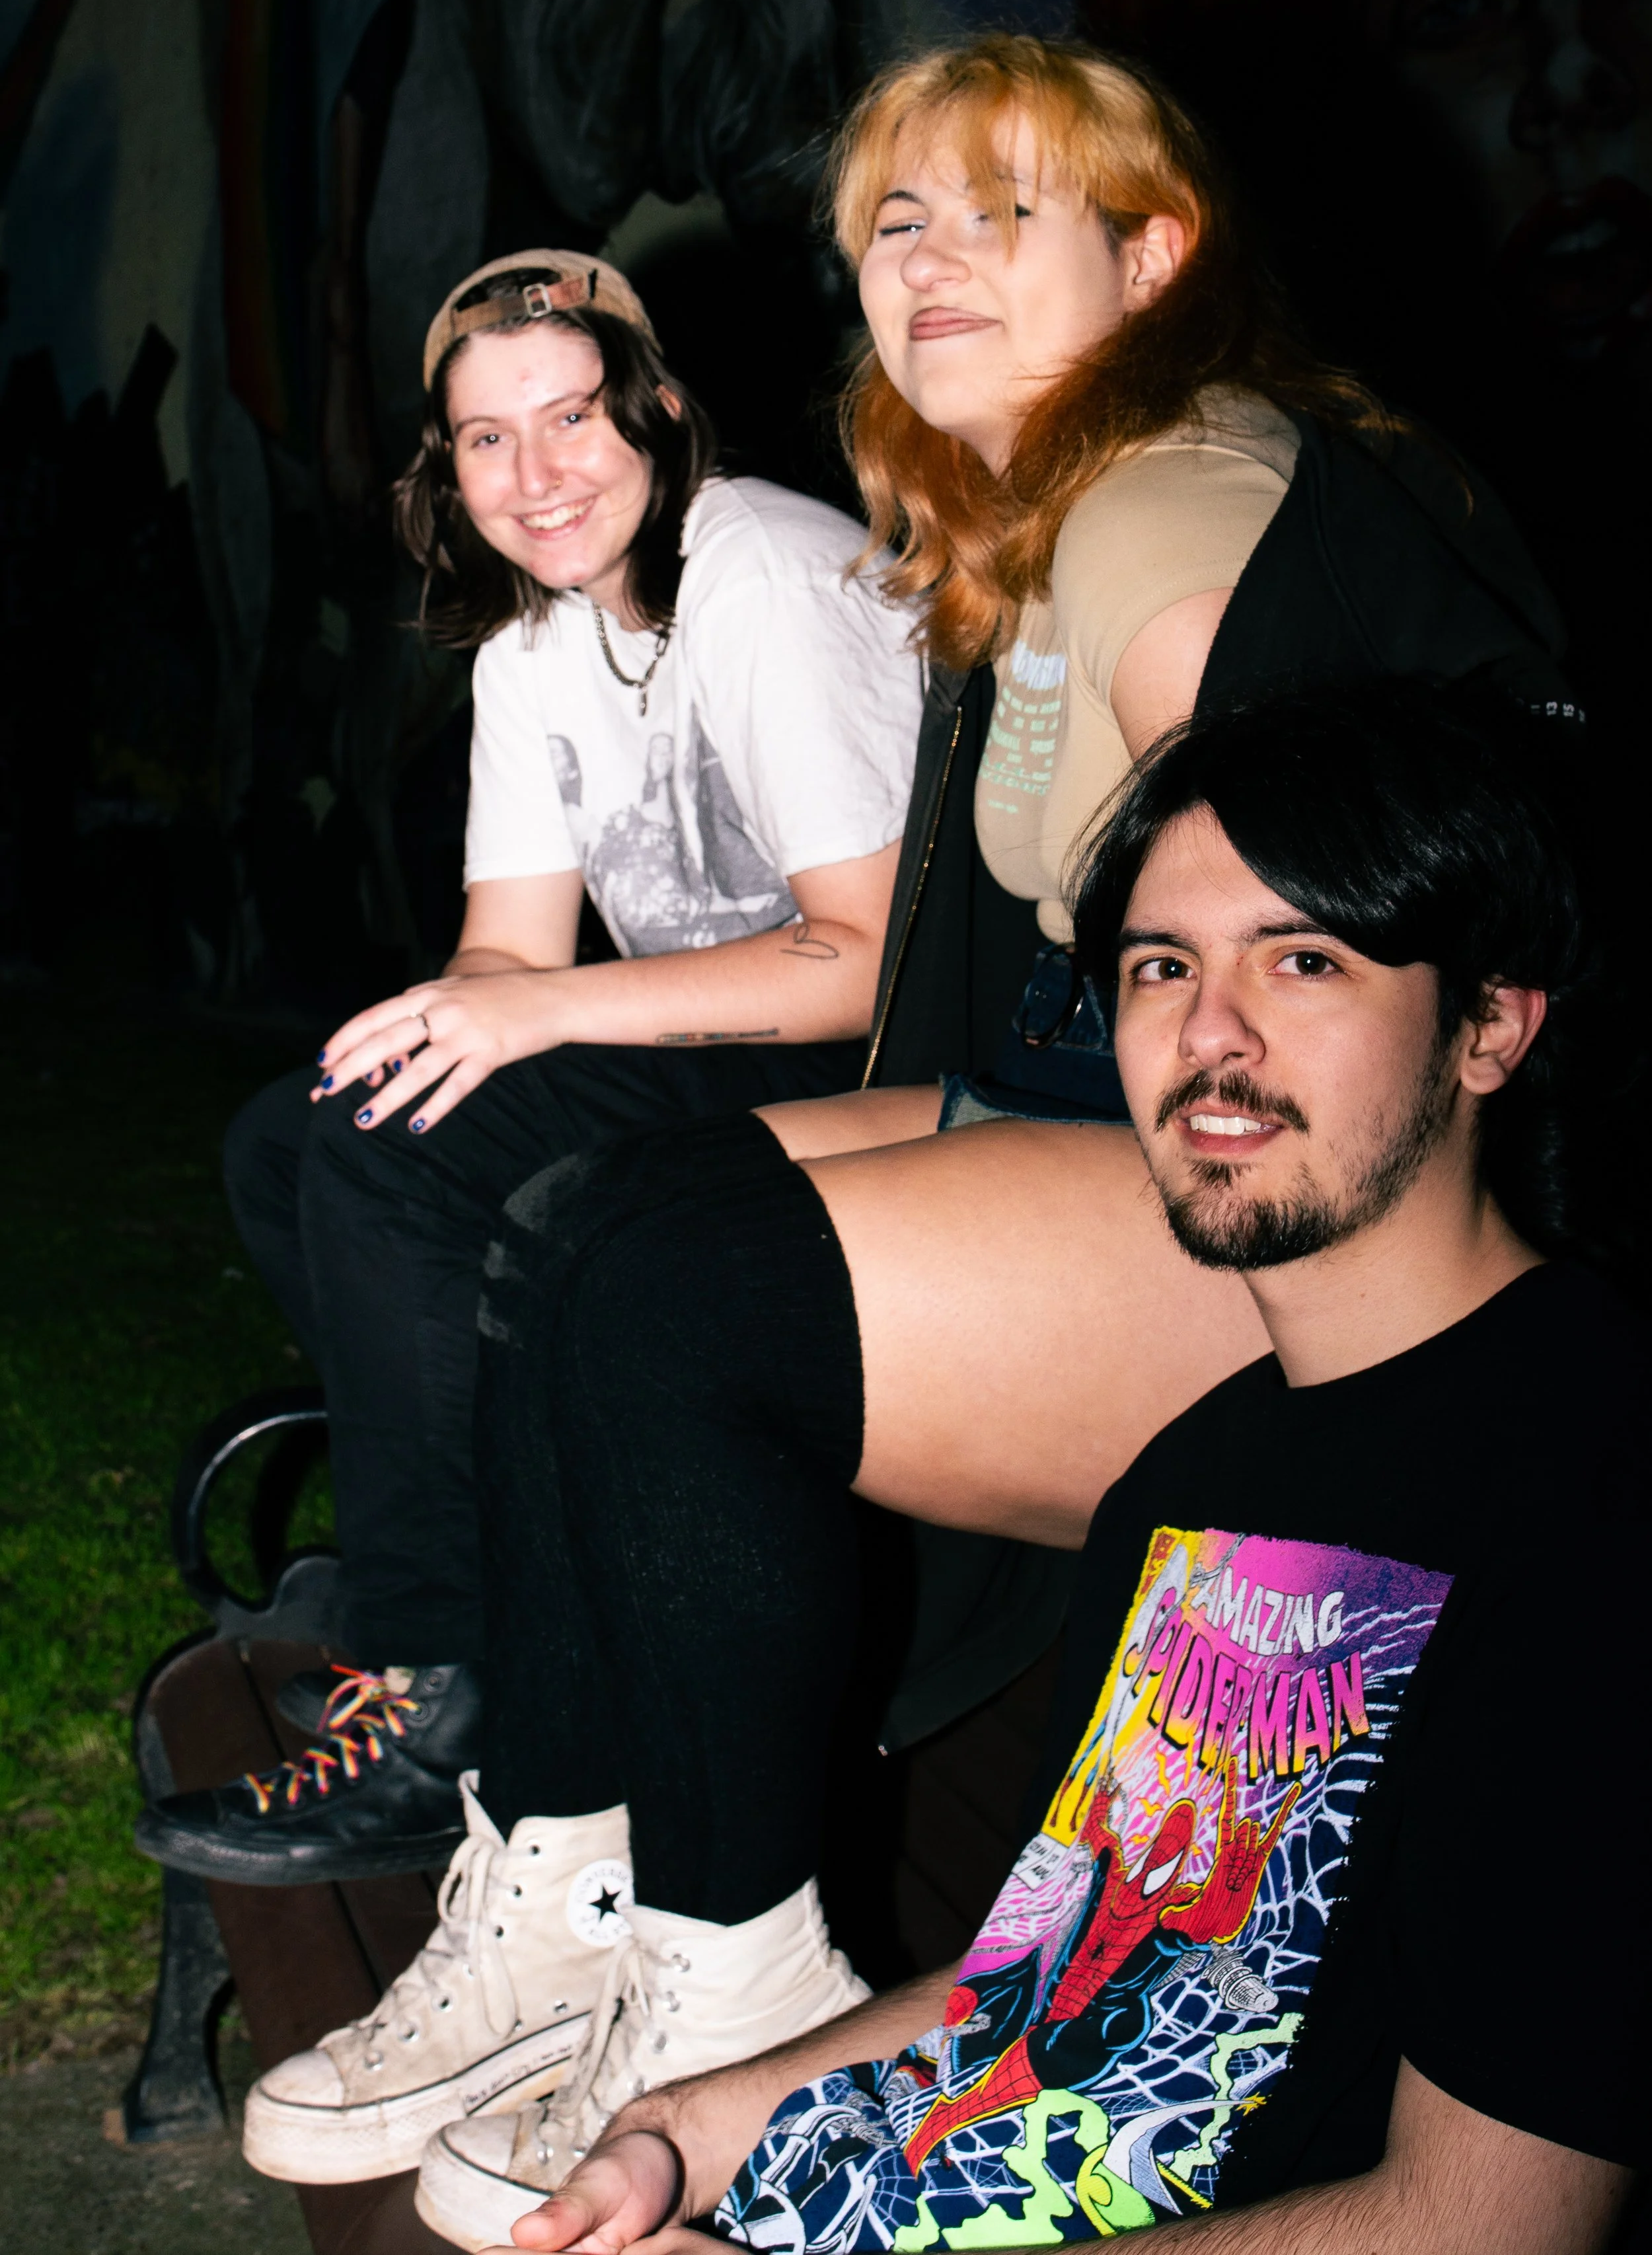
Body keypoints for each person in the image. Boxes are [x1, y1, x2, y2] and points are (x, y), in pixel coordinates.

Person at [139, 37, 1573, 2189]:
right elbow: (1036, 1002)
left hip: (1329, 1266)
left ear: (1152, 256)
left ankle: (732, 1973)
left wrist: (1303, 1529)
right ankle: (558, 1873)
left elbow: (1295, 1013)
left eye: (1002, 210)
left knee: (662, 1278)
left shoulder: (1168, 511)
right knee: (576, 1228)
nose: (928, 256)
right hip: (1099, 1123)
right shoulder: (1036, 528)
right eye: (895, 219)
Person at [442, 678, 1641, 2255]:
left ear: (1487, 1025)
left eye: (1301, 960)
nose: (1207, 1037)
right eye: (1160, 967)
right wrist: (686, 2131)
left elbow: (1485, 2225)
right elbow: (1048, 1976)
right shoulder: (1194, 1475)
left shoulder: (1588, 1495)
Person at [174, 241, 922, 1851]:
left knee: (387, 1157)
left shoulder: (759, 574)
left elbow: (870, 964)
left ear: (659, 411)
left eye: (572, 416)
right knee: (299, 1136)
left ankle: (444, 1680)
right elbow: (506, 954)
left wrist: (537, 1013)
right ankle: (494, 1571)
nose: (537, 475)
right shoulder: (532, 635)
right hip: (717, 1041)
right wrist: (455, 1023)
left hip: (886, 1069)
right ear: (446, 470)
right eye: (488, 439)